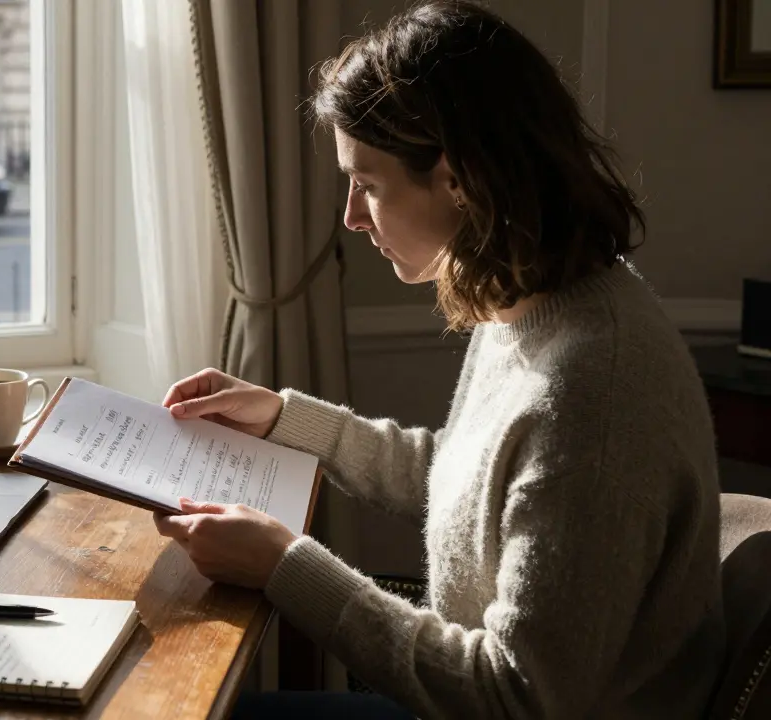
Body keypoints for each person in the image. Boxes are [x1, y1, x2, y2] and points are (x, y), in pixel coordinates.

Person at [154, 2, 725, 718]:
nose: (351, 217)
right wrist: (282, 420)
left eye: (367, 184)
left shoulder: (593, 392)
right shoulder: (530, 301)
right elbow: (466, 477)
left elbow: (516, 697)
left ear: (459, 180)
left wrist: (283, 565)